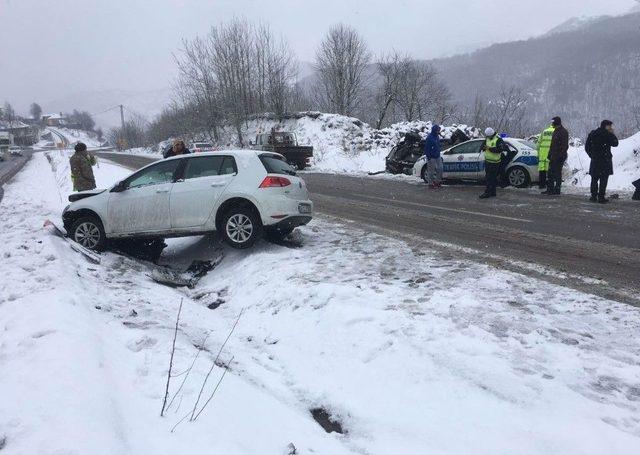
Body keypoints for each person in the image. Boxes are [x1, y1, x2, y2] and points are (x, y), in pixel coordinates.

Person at [585, 120, 619, 203]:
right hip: (605, 160)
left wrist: (592, 155)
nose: (611, 128)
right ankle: (601, 197)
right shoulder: (607, 134)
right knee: (603, 179)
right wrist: (612, 134)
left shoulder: (593, 133)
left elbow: (587, 147)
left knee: (594, 178)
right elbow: (615, 143)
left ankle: (593, 196)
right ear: (606, 126)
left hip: (595, 160)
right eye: (610, 126)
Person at [542, 117, 569, 195]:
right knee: (550, 173)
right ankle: (550, 189)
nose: (551, 123)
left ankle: (557, 190)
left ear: (556, 122)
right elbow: (552, 145)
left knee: (557, 173)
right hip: (553, 155)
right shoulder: (555, 131)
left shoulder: (563, 132)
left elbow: (565, 146)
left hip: (559, 157)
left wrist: (560, 156)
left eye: (553, 122)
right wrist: (549, 154)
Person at [479, 127, 507, 199]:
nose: (487, 137)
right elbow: (482, 146)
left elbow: (500, 149)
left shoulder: (498, 139)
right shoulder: (487, 139)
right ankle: (493, 192)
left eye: (488, 136)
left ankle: (487, 192)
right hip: (488, 161)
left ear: (491, 134)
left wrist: (489, 148)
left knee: (490, 178)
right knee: (491, 178)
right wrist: (483, 148)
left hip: (495, 162)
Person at [536, 122, 555, 189]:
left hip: (542, 154)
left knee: (542, 170)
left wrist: (538, 153)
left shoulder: (544, 132)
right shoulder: (555, 132)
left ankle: (541, 185)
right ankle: (550, 186)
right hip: (551, 154)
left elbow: (538, 144)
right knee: (550, 172)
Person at [423, 124, 443, 189]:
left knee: (440, 168)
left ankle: (437, 182)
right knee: (431, 171)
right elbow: (426, 147)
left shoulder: (437, 136)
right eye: (437, 130)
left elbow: (438, 145)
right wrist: (428, 156)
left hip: (437, 155)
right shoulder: (429, 137)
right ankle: (430, 184)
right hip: (431, 157)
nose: (438, 131)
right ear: (435, 130)